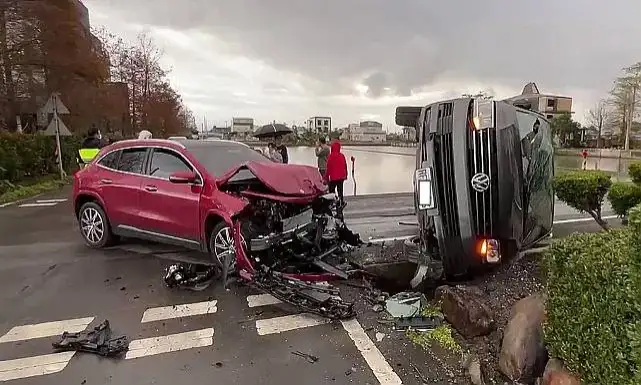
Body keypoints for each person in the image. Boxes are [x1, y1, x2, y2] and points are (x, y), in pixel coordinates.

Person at [325, 139, 348, 206]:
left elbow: (328, 168)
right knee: (340, 190)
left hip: (334, 177)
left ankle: (333, 202)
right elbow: (345, 166)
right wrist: (346, 175)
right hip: (341, 177)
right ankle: (341, 201)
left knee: (331, 190)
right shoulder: (342, 156)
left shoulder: (330, 156)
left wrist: (326, 178)